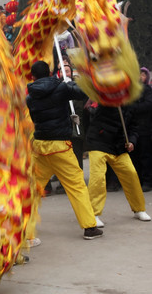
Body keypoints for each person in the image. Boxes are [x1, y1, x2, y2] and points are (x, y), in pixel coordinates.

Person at [26, 61, 102, 240]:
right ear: (51, 72)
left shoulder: (30, 98)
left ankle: (23, 229)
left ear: (33, 77)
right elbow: (85, 92)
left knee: (32, 189)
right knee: (76, 185)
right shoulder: (61, 88)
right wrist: (72, 83)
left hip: (40, 146)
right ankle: (89, 227)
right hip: (60, 145)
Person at [86, 103, 151, 228]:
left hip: (119, 145)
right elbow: (95, 109)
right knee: (98, 178)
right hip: (98, 142)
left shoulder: (133, 103)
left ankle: (139, 209)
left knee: (131, 174)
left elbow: (134, 127)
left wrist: (131, 141)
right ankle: (93, 213)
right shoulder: (105, 98)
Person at [129, 67, 152, 192]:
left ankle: (147, 181)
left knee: (145, 156)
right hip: (134, 128)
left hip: (145, 128)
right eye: (139, 74)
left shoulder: (148, 90)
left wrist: (134, 107)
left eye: (144, 75)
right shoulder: (131, 91)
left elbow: (148, 105)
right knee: (134, 156)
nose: (141, 77)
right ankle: (138, 181)